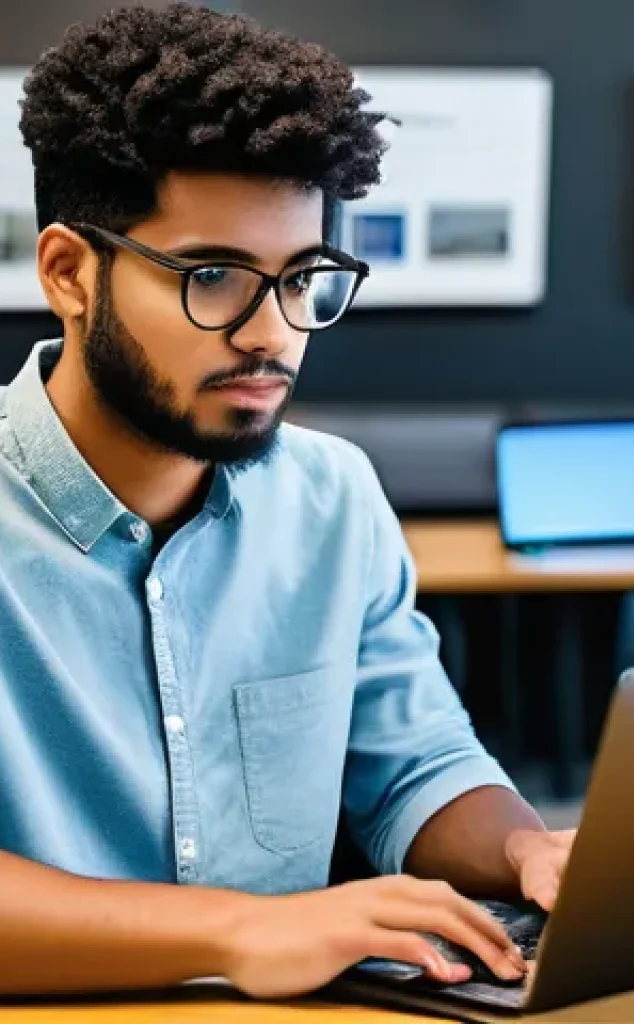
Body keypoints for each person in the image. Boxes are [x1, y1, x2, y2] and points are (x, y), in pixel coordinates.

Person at [0, 3, 573, 1001]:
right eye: (214, 277)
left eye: (302, 276)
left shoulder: (332, 496)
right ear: (68, 273)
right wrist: (237, 931)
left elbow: (413, 764)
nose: (273, 333)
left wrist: (530, 852)